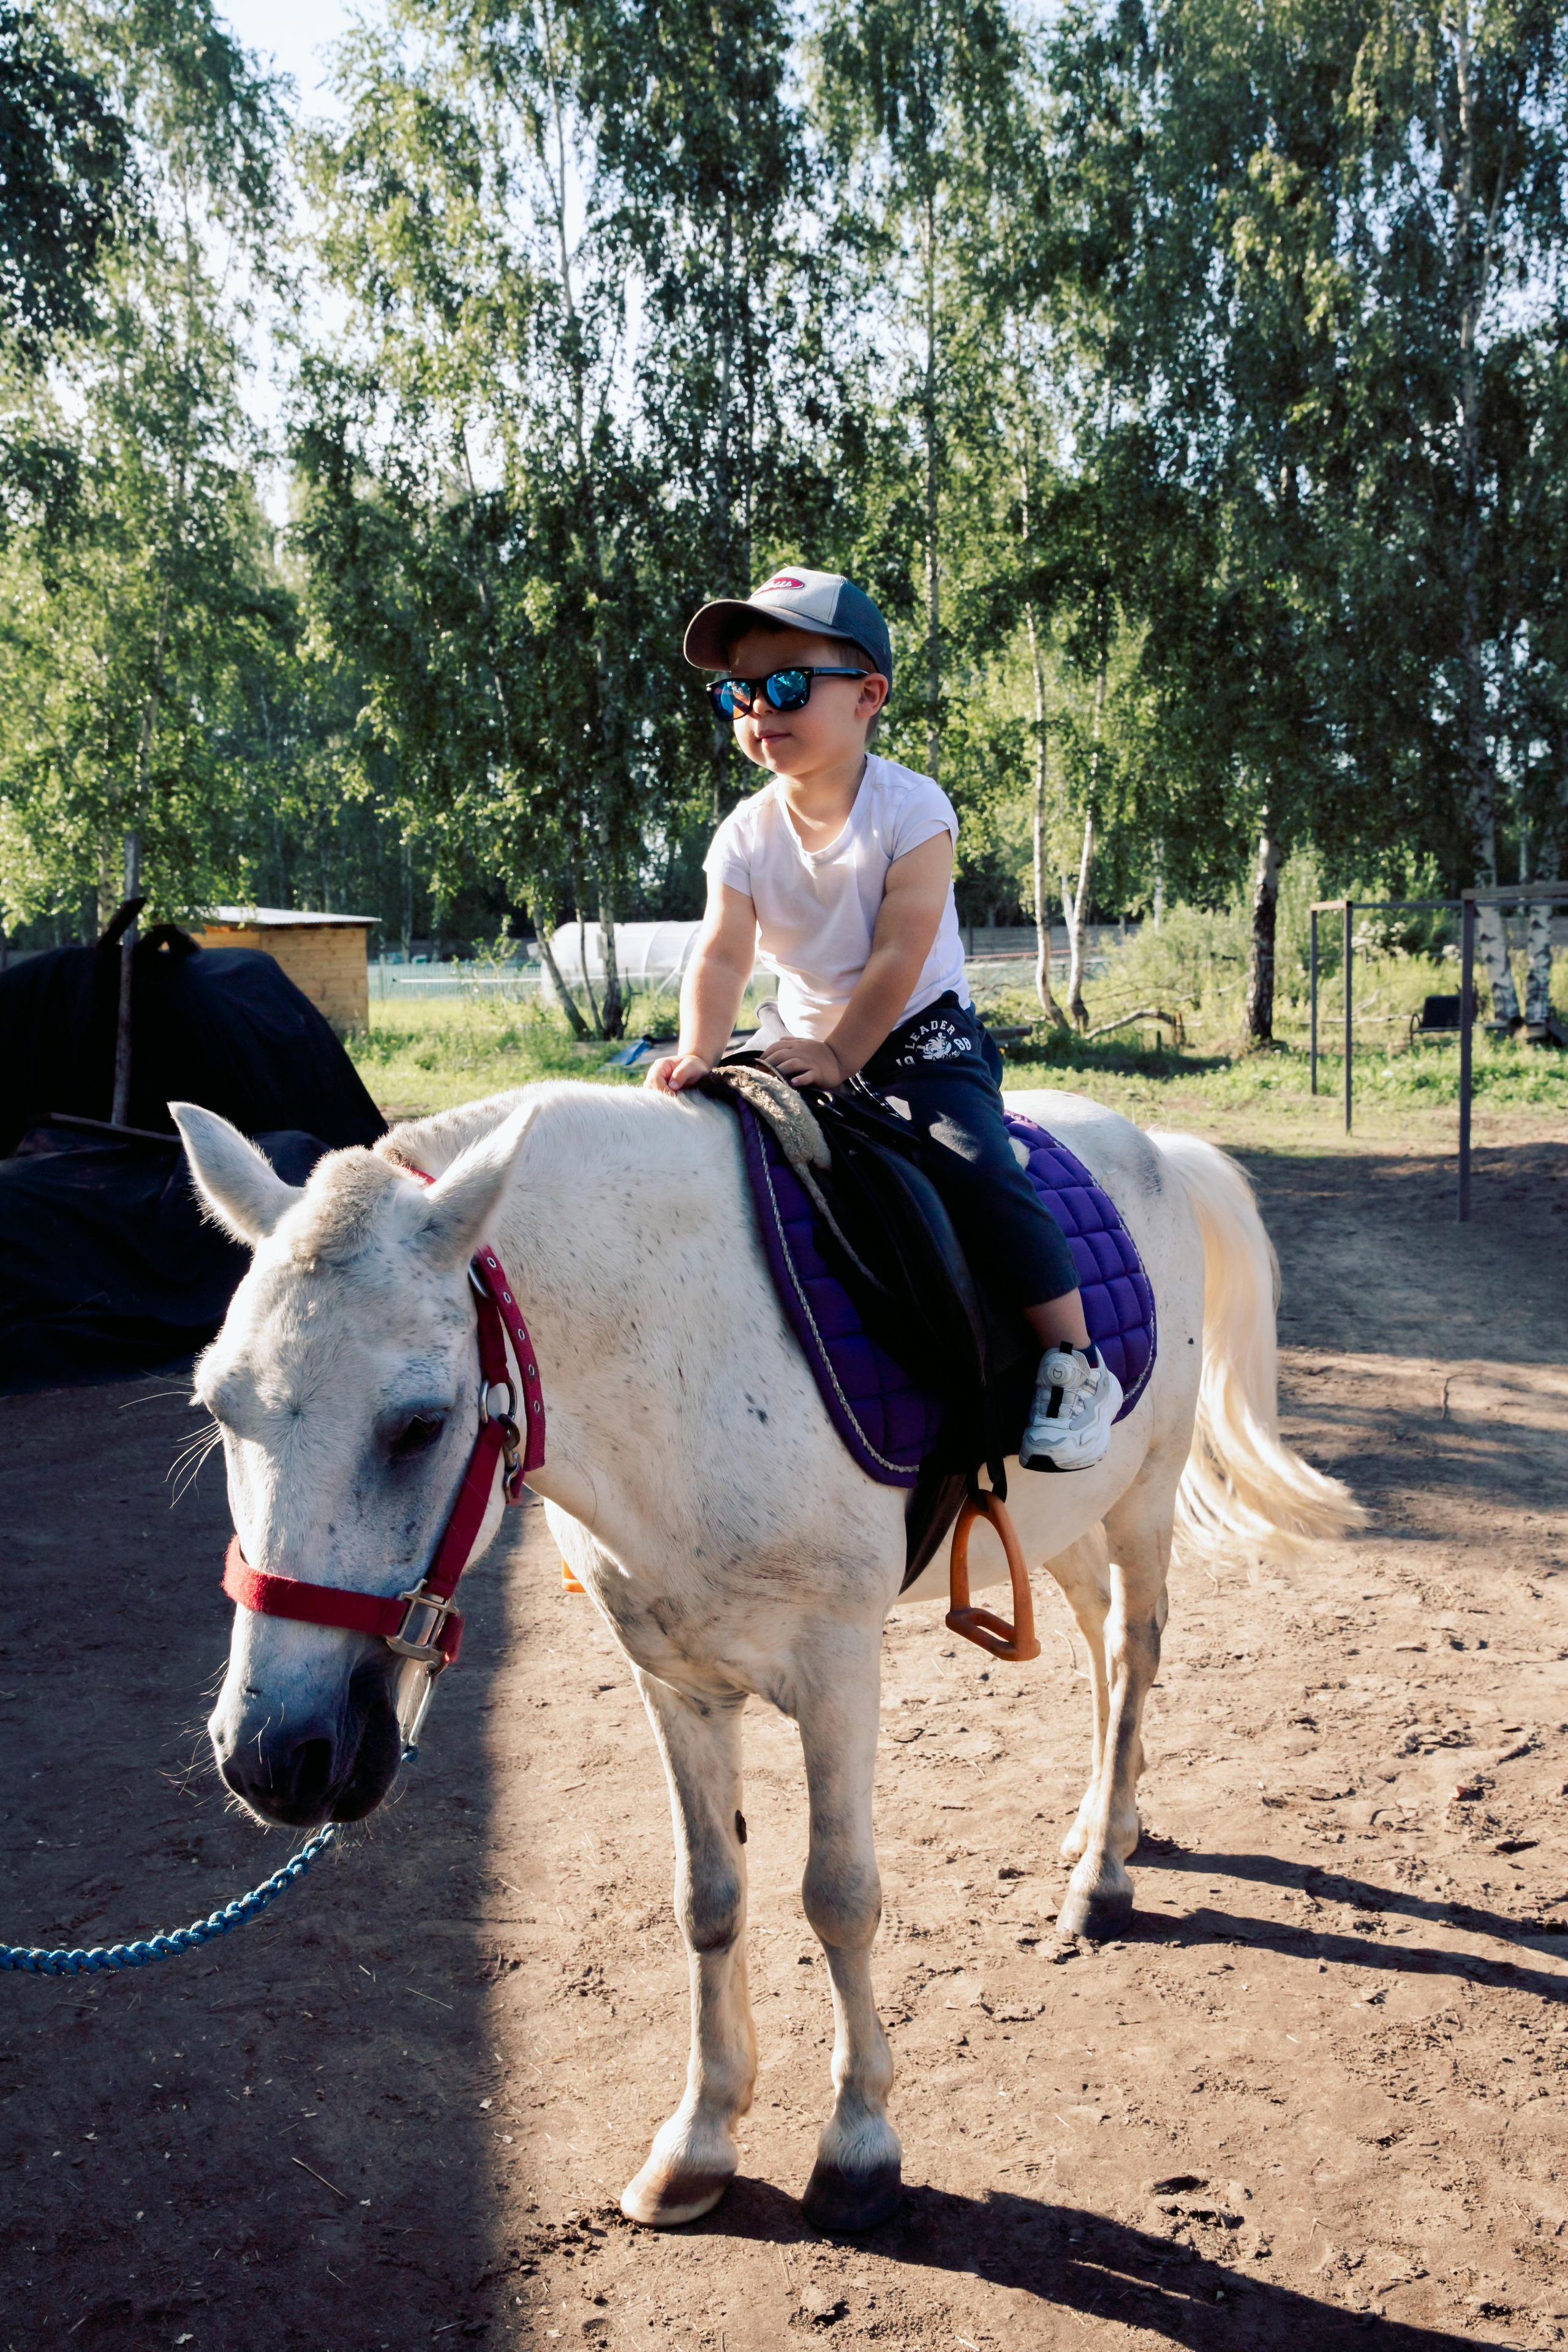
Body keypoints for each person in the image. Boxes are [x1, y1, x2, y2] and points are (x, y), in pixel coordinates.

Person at [646, 565, 1122, 1470]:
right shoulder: (743, 833)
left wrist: (841, 1054)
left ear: (868, 696)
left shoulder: (912, 808)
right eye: (739, 692)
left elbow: (900, 955)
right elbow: (722, 955)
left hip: (918, 1035)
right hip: (799, 1037)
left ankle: (1073, 1358)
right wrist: (699, 1050)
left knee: (974, 1164)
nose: (759, 707)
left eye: (788, 683)